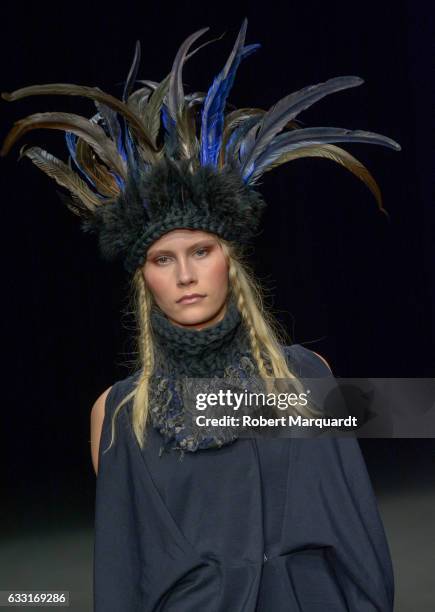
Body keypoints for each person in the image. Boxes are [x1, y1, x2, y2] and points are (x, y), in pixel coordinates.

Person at [1, 18, 400, 611]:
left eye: (201, 251)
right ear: (144, 277)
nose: (185, 274)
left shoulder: (306, 375)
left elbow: (354, 530)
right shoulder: (119, 414)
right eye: (164, 258)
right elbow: (126, 565)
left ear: (228, 261)